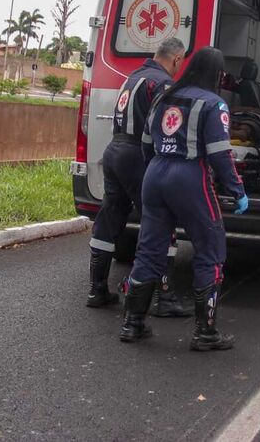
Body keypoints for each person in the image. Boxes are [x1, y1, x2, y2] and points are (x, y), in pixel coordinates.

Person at [120, 47, 247, 351]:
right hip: (190, 178)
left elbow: (147, 143)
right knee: (211, 249)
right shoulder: (214, 104)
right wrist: (237, 190)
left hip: (155, 175)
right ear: (217, 74)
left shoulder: (164, 96)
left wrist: (155, 168)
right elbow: (219, 154)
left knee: (149, 250)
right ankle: (205, 333)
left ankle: (132, 324)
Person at [86, 38, 188, 315]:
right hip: (138, 156)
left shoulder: (133, 78)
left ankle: (97, 289)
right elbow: (168, 128)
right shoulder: (163, 84)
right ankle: (163, 297)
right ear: (176, 59)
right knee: (159, 221)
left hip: (114, 151)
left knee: (109, 217)